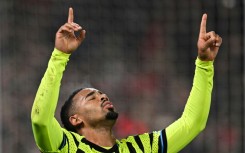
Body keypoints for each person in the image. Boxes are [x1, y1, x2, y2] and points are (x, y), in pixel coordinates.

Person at [31, 7, 222, 153]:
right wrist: (60, 56)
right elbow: (40, 120)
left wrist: (204, 64)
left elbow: (193, 123)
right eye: (91, 97)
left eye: (100, 93)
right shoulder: (66, 147)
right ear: (75, 119)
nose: (102, 96)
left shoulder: (140, 147)